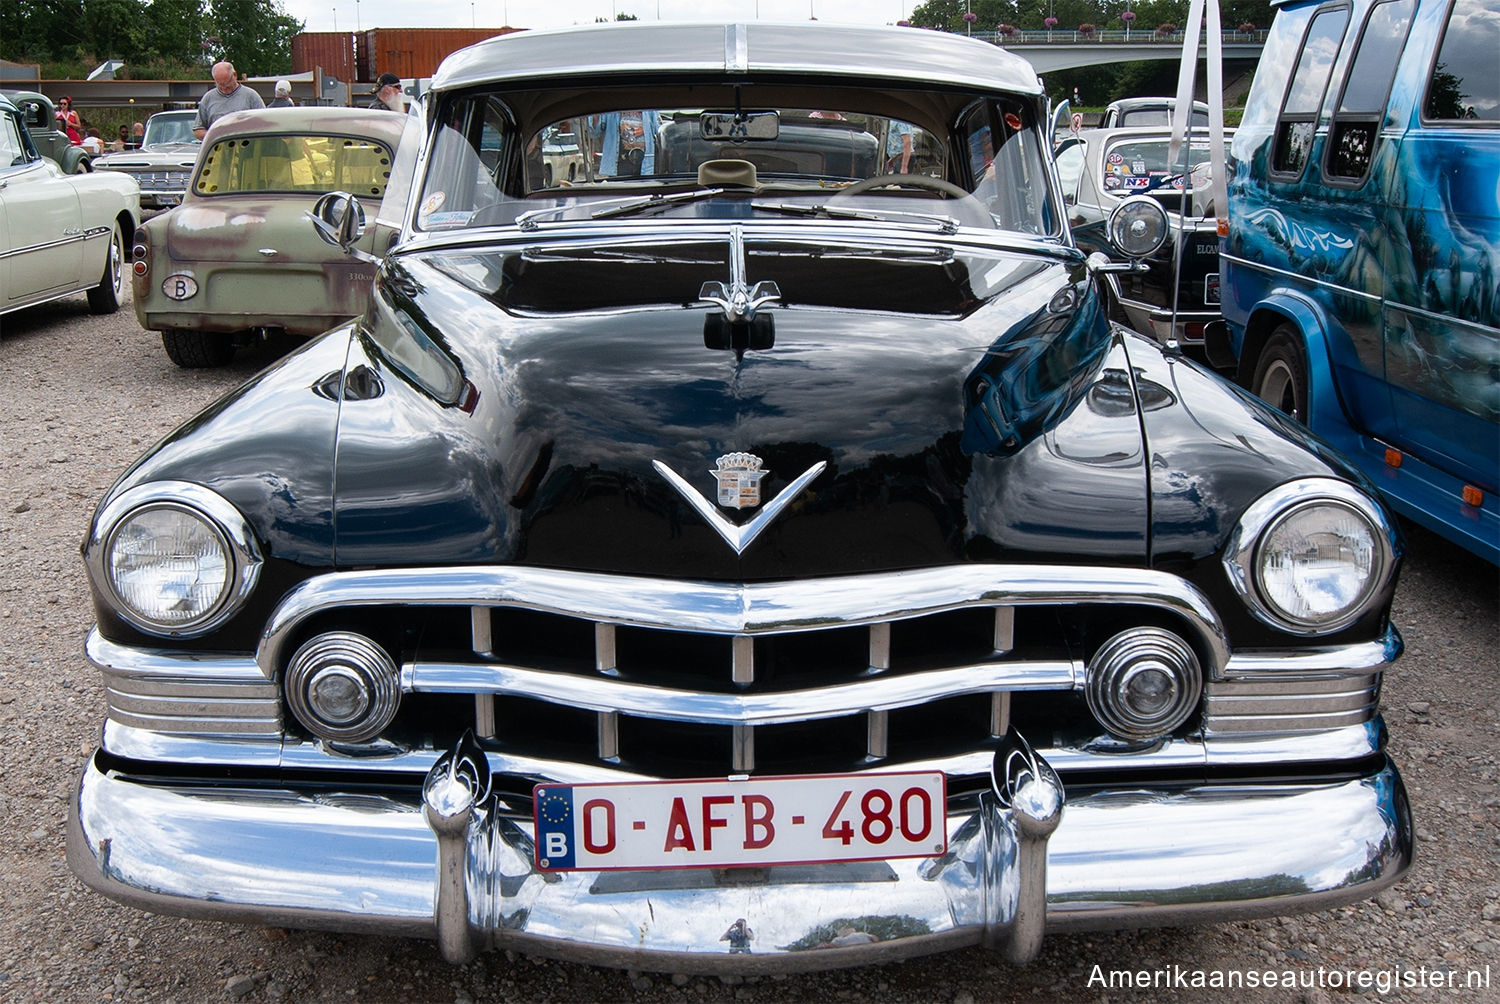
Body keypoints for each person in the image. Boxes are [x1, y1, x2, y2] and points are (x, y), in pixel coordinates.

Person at [193, 61, 264, 139]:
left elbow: (265, 124)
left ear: (234, 75)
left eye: (227, 83)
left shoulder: (251, 96)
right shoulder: (208, 98)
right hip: (219, 148)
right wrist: (215, 135)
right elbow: (198, 130)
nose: (224, 88)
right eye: (220, 85)